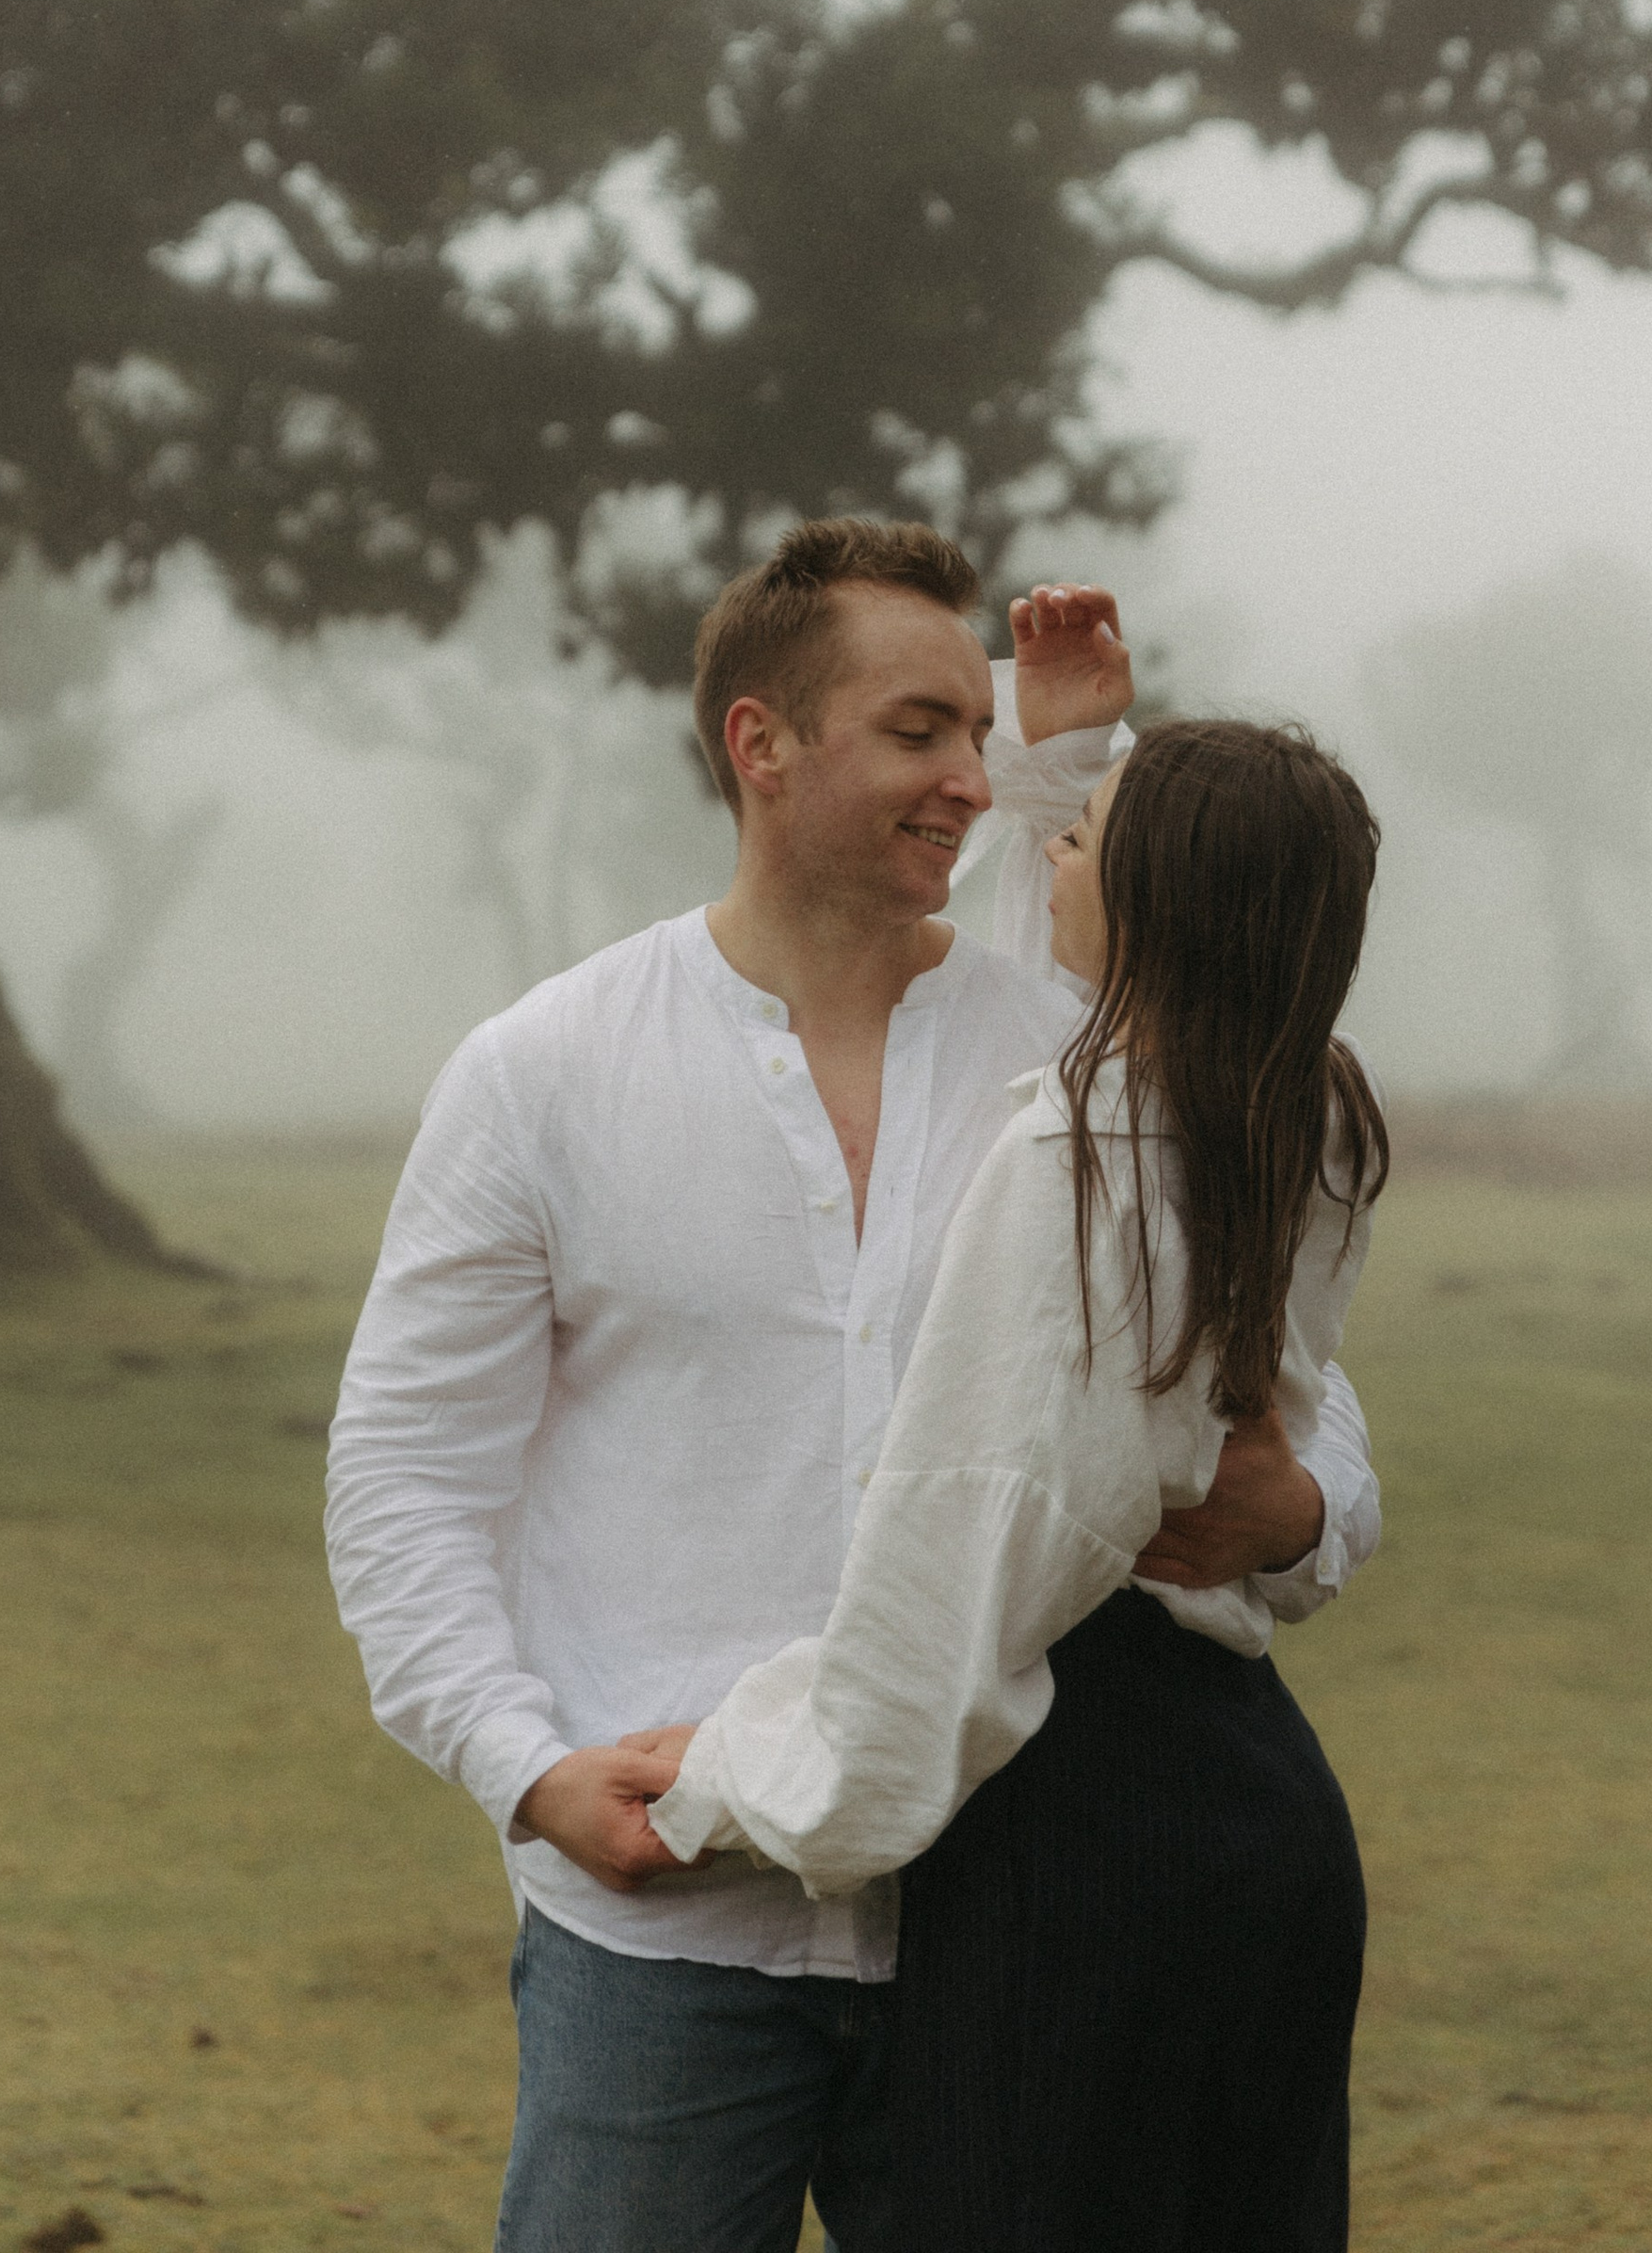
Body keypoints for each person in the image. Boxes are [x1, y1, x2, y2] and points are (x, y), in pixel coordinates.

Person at [326, 519, 1379, 2253]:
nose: (976, 779)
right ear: (761, 743)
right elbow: (404, 1481)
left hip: (1016, 1920)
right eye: (921, 733)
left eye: (985, 734)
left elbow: (1290, 1392)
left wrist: (1309, 1507)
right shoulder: (543, 1073)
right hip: (663, 1934)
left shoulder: (1083, 1063)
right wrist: (523, 1770)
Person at [640, 711, 1387, 2248]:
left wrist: (731, 1779)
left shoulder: (1079, 1163)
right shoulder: (1298, 1117)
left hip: (1086, 1841)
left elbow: (969, 1561)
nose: (1050, 847)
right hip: (1265, 1815)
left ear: (1161, 906)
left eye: (1083, 834)